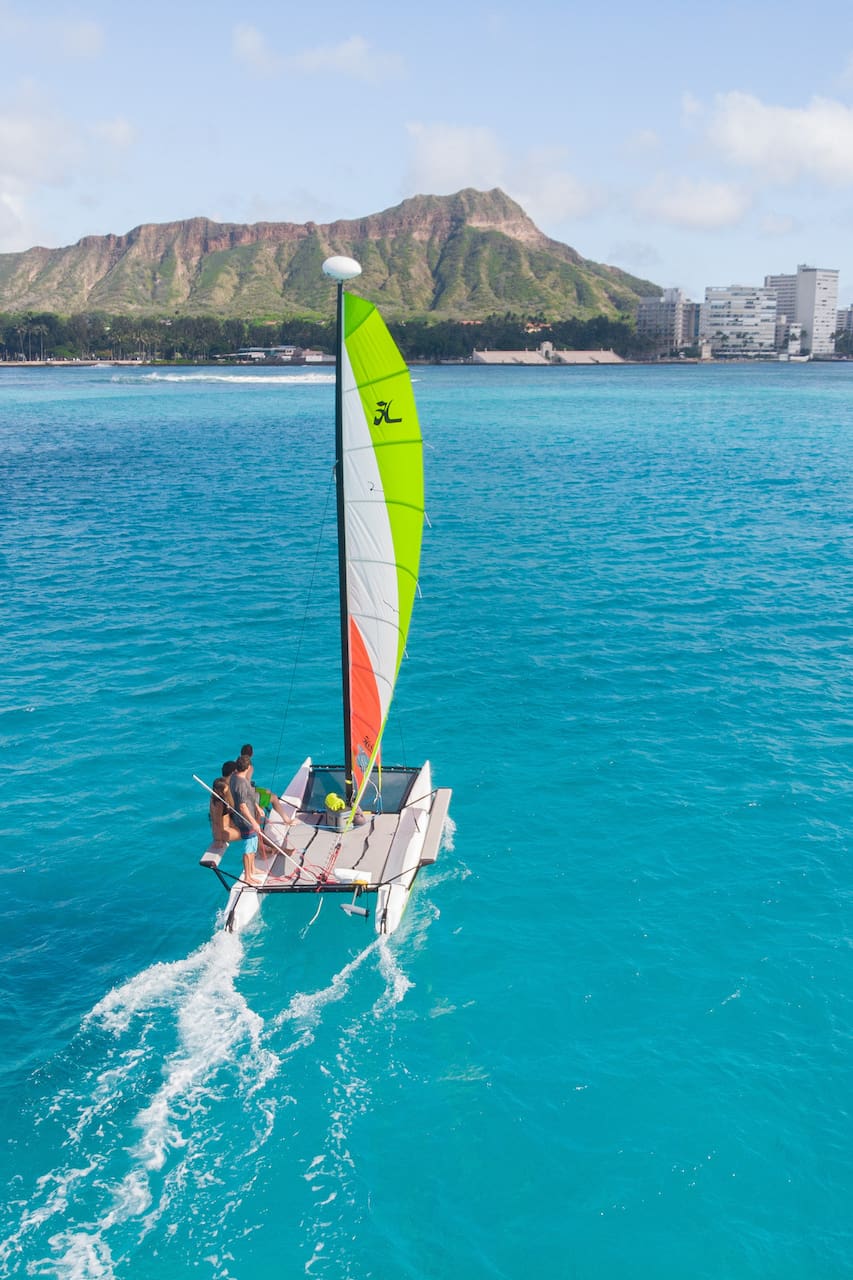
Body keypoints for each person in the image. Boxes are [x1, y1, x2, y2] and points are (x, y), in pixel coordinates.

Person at [229, 754, 266, 885]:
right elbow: (242, 806)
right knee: (248, 848)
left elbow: (249, 797)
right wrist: (254, 822)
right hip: (245, 820)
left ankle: (253, 869)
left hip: (250, 814)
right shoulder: (240, 784)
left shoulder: (235, 776)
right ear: (248, 767)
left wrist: (257, 807)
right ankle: (247, 876)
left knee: (253, 844)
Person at [208, 776, 241, 845]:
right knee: (251, 833)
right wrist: (218, 840)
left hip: (229, 826)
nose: (228, 788)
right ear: (220, 790)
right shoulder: (218, 804)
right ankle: (264, 850)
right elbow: (217, 822)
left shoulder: (217, 798)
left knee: (251, 829)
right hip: (223, 832)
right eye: (226, 787)